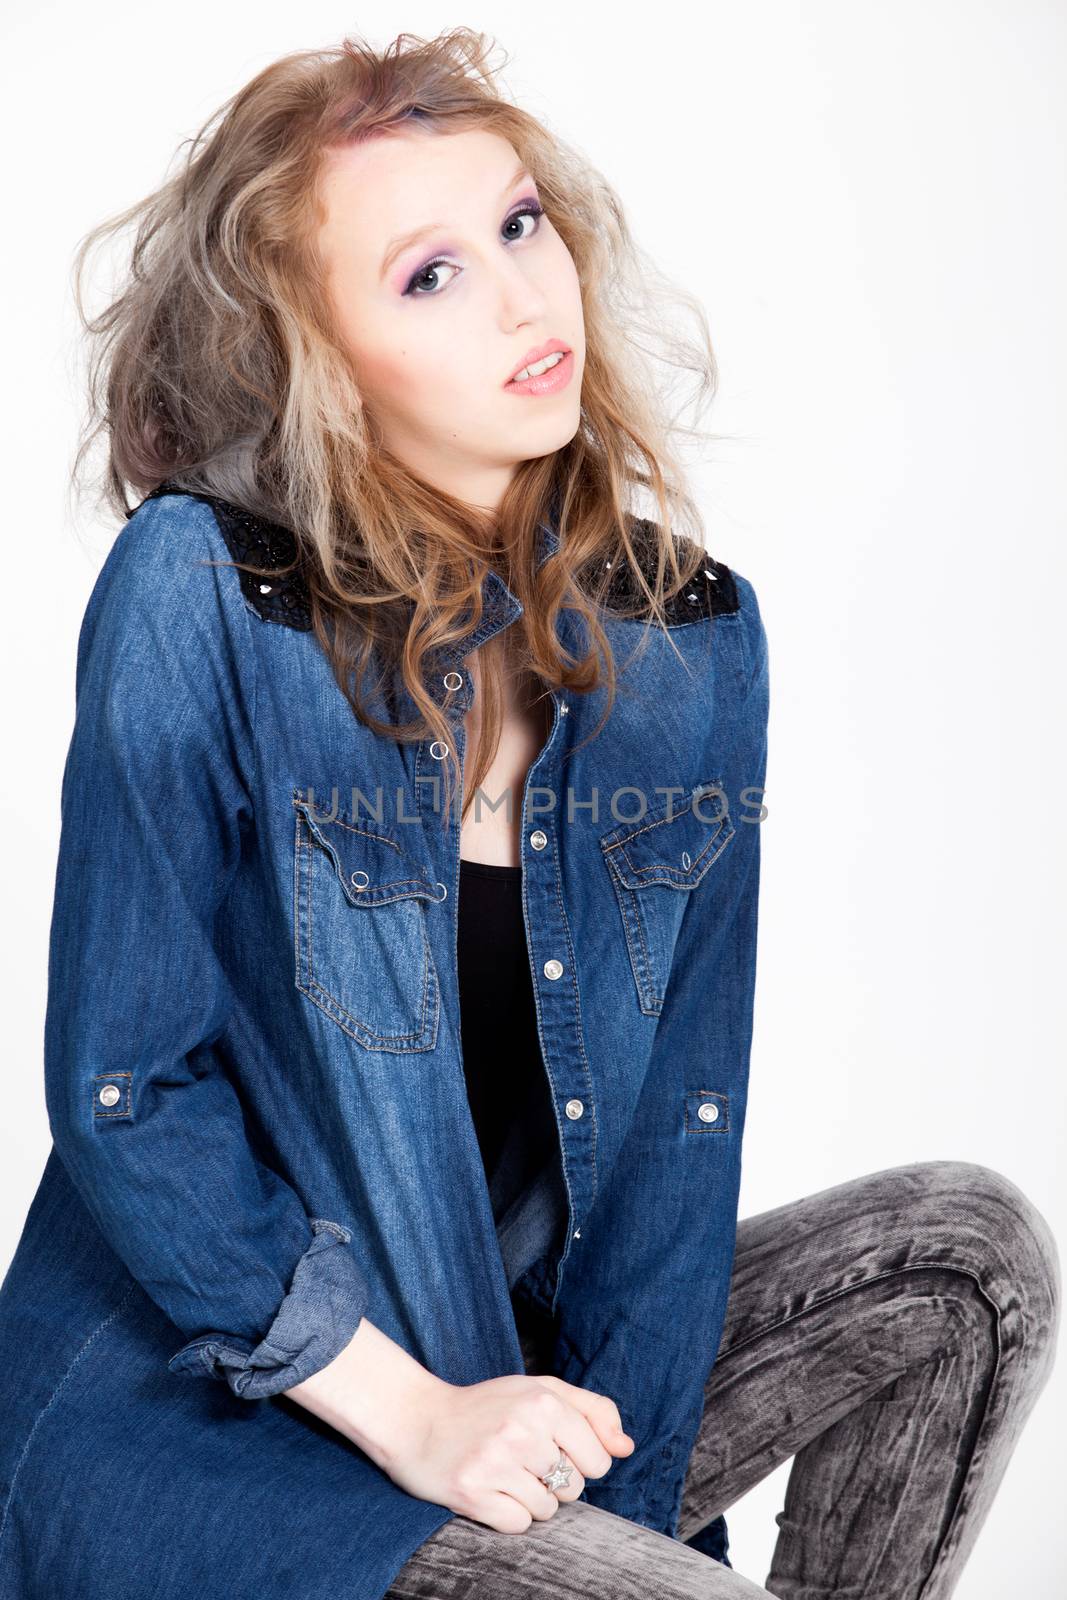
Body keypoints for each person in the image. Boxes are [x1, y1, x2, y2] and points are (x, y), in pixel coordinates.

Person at [0, 27, 1058, 1600]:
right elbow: (127, 1093)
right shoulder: (207, 596)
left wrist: (610, 1517)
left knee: (969, 1259)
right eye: (427, 275)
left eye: (519, 224)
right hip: (228, 1437)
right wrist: (420, 1419)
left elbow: (669, 1162)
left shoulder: (688, 644)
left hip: (505, 1395)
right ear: (315, 362)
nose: (521, 293)